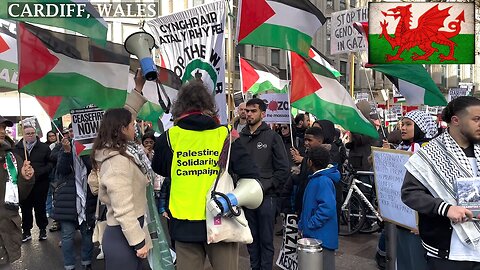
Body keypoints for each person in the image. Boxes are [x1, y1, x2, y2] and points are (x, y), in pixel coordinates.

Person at [151, 81, 259, 270]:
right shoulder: (226, 135)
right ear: (210, 106)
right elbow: (250, 174)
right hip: (222, 221)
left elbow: (161, 169)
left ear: (180, 107)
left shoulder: (168, 138)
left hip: (184, 224)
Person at [402, 96, 480, 270]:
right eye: (476, 119)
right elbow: (410, 193)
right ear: (456, 120)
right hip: (448, 252)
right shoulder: (429, 154)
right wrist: (445, 208)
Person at [239, 98, 290, 270]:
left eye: (253, 111)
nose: (249, 114)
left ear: (263, 114)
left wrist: (267, 186)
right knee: (251, 240)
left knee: (266, 240)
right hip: (245, 197)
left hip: (266, 197)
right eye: (247, 111)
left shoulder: (272, 137)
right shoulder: (240, 138)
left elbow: (283, 169)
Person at [54, 134, 97, 270]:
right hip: (68, 199)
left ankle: (86, 263)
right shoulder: (63, 147)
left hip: (87, 196)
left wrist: (83, 151)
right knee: (67, 236)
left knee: (87, 233)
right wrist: (67, 152)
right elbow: (61, 170)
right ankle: (69, 265)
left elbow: (93, 168)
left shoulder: (91, 147)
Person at [0, 116, 35, 270]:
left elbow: (20, 195)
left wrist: (26, 179)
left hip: (7, 227)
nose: (2, 131)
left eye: (3, 127)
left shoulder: (12, 158)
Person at [298, 146, 340, 270]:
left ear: (310, 162)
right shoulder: (319, 179)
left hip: (321, 237)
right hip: (317, 236)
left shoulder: (322, 180)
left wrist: (310, 224)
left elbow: (327, 208)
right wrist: (302, 225)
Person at [14, 125, 53, 242]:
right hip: (24, 184)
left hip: (40, 182)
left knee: (40, 207)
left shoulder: (44, 148)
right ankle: (26, 231)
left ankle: (42, 230)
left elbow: (50, 164)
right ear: (23, 135)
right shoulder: (17, 148)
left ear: (35, 133)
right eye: (27, 133)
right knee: (25, 208)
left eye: (32, 133)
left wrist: (39, 172)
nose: (30, 135)